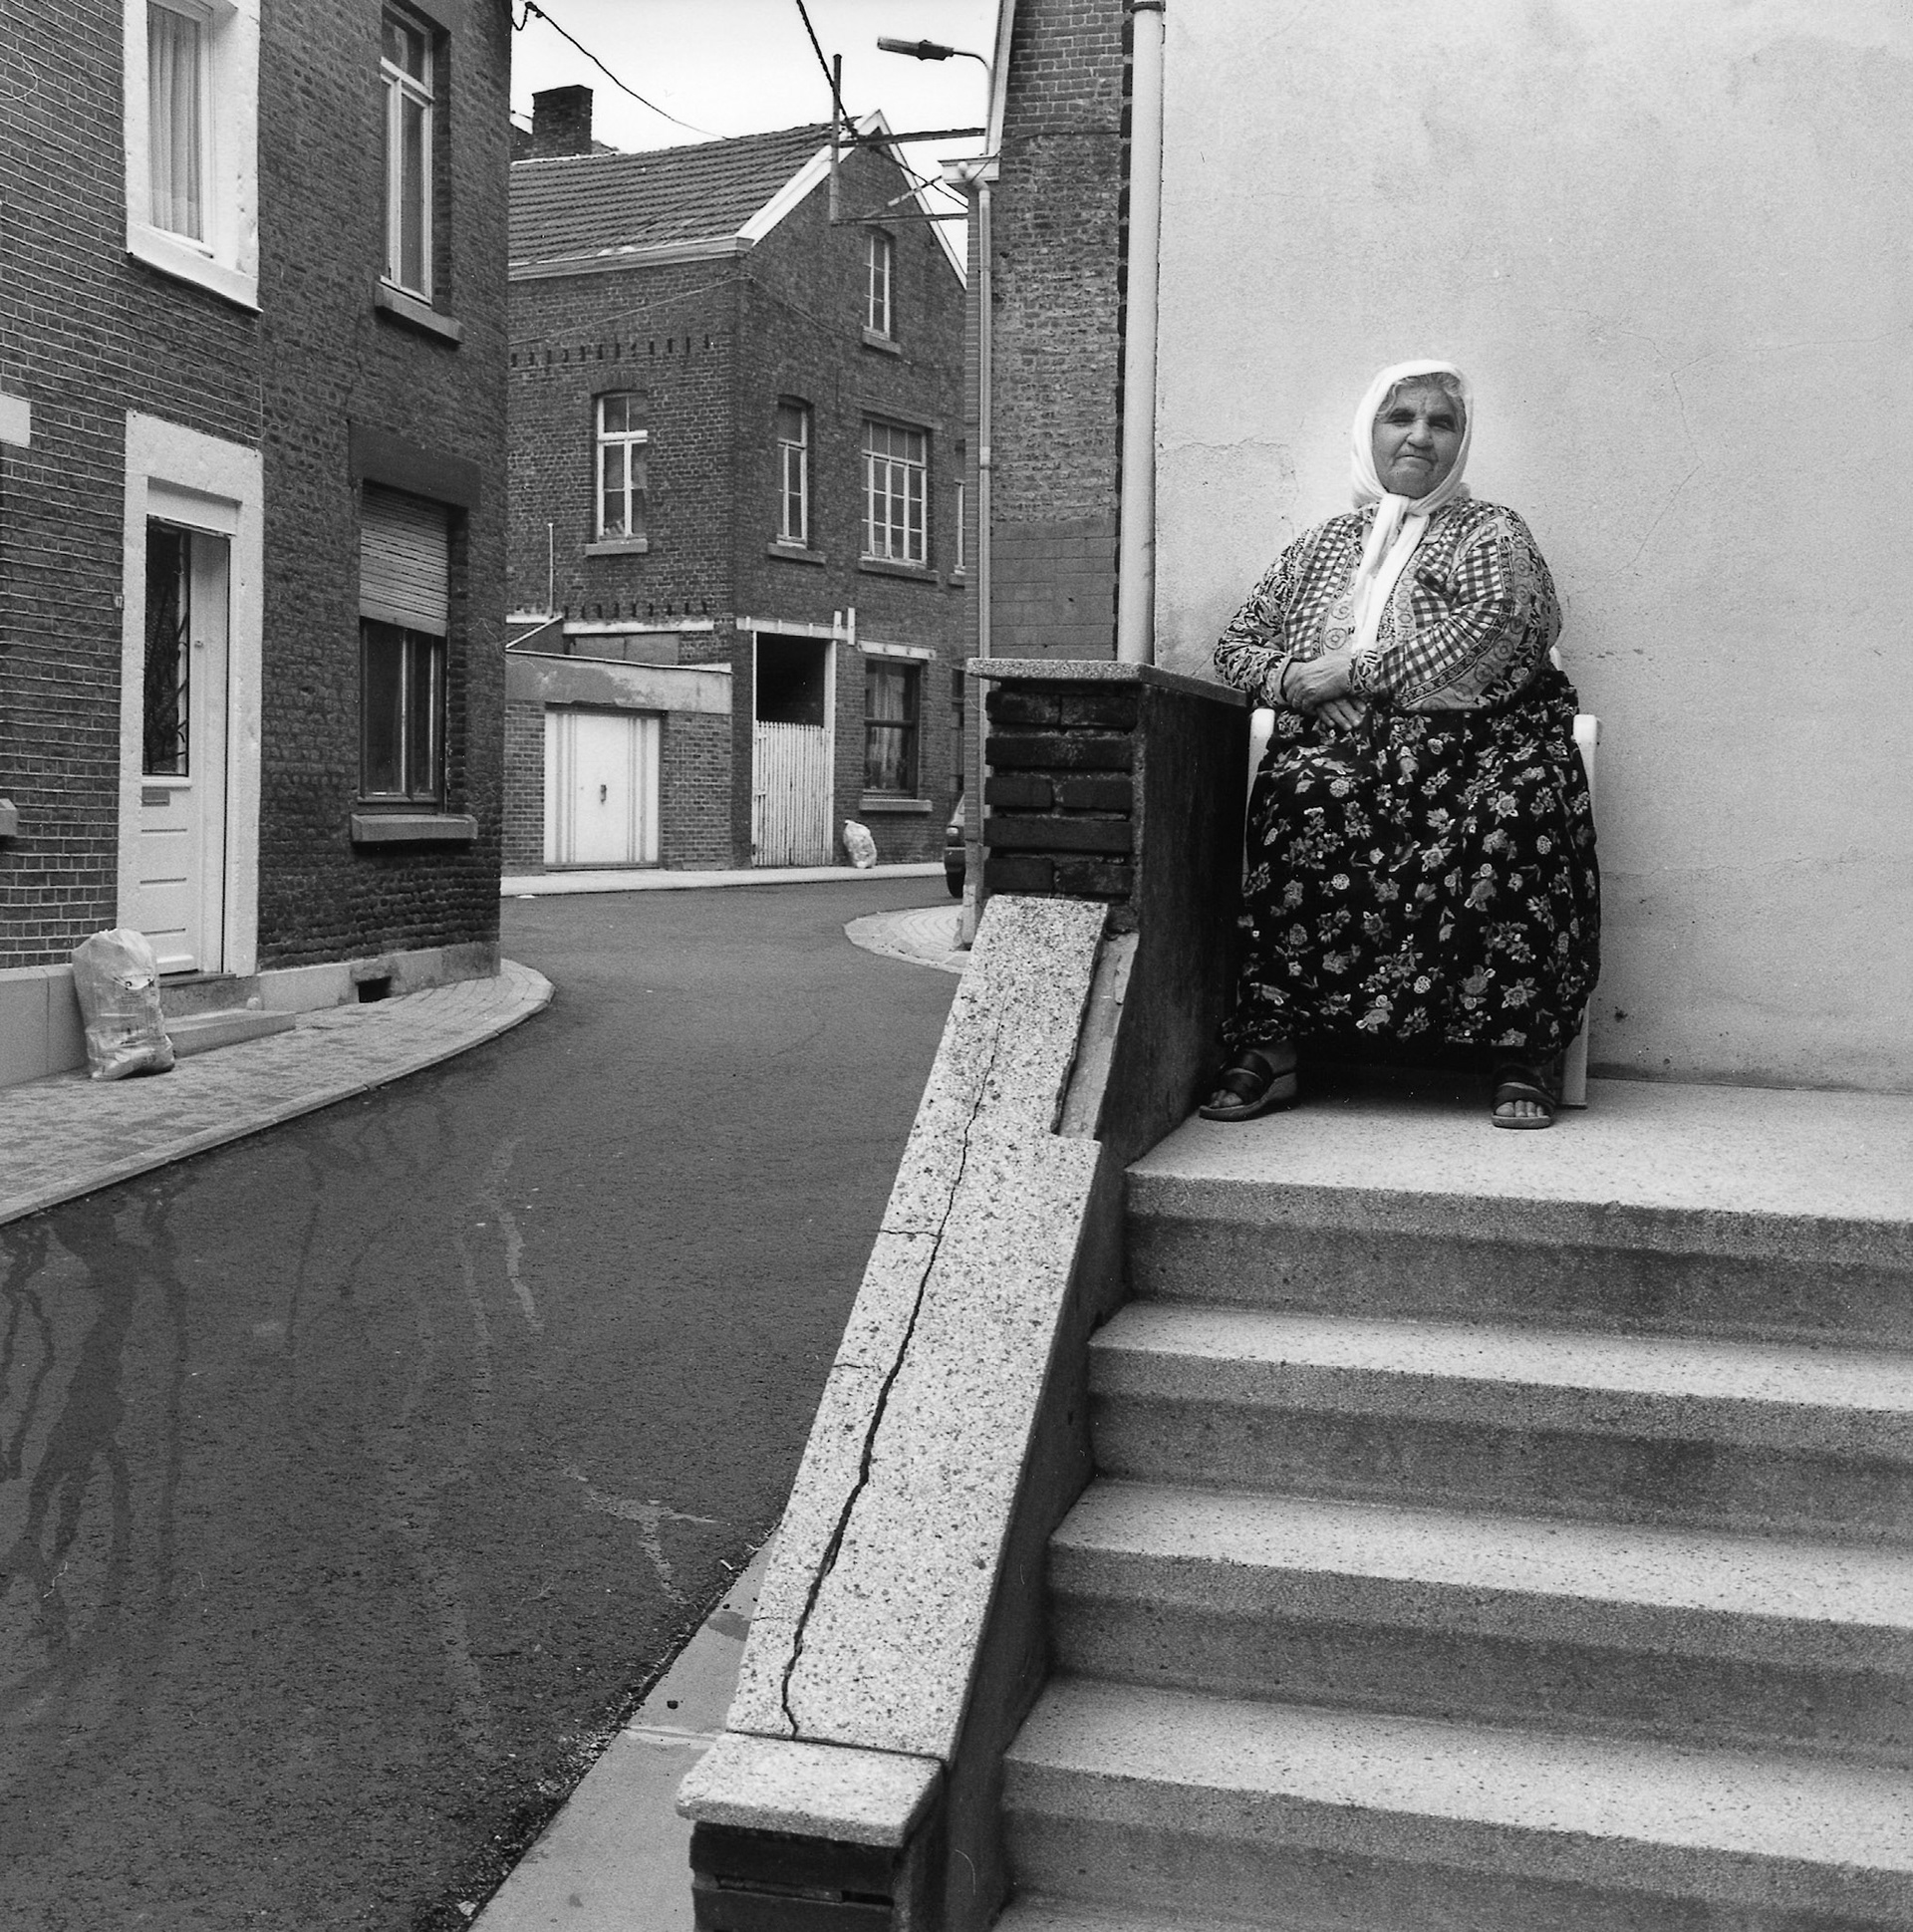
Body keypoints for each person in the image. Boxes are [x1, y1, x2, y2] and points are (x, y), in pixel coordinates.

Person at [1203, 359, 1599, 1129]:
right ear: (1368, 432)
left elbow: (1503, 629)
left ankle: (1520, 1049)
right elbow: (1237, 645)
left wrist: (1354, 670)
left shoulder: (1491, 530)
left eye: (1441, 422)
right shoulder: (1320, 546)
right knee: (1301, 795)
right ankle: (1276, 1046)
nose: (1420, 435)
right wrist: (1296, 680)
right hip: (1344, 752)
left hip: (1484, 748)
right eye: (1400, 417)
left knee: (1516, 809)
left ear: (1461, 442)